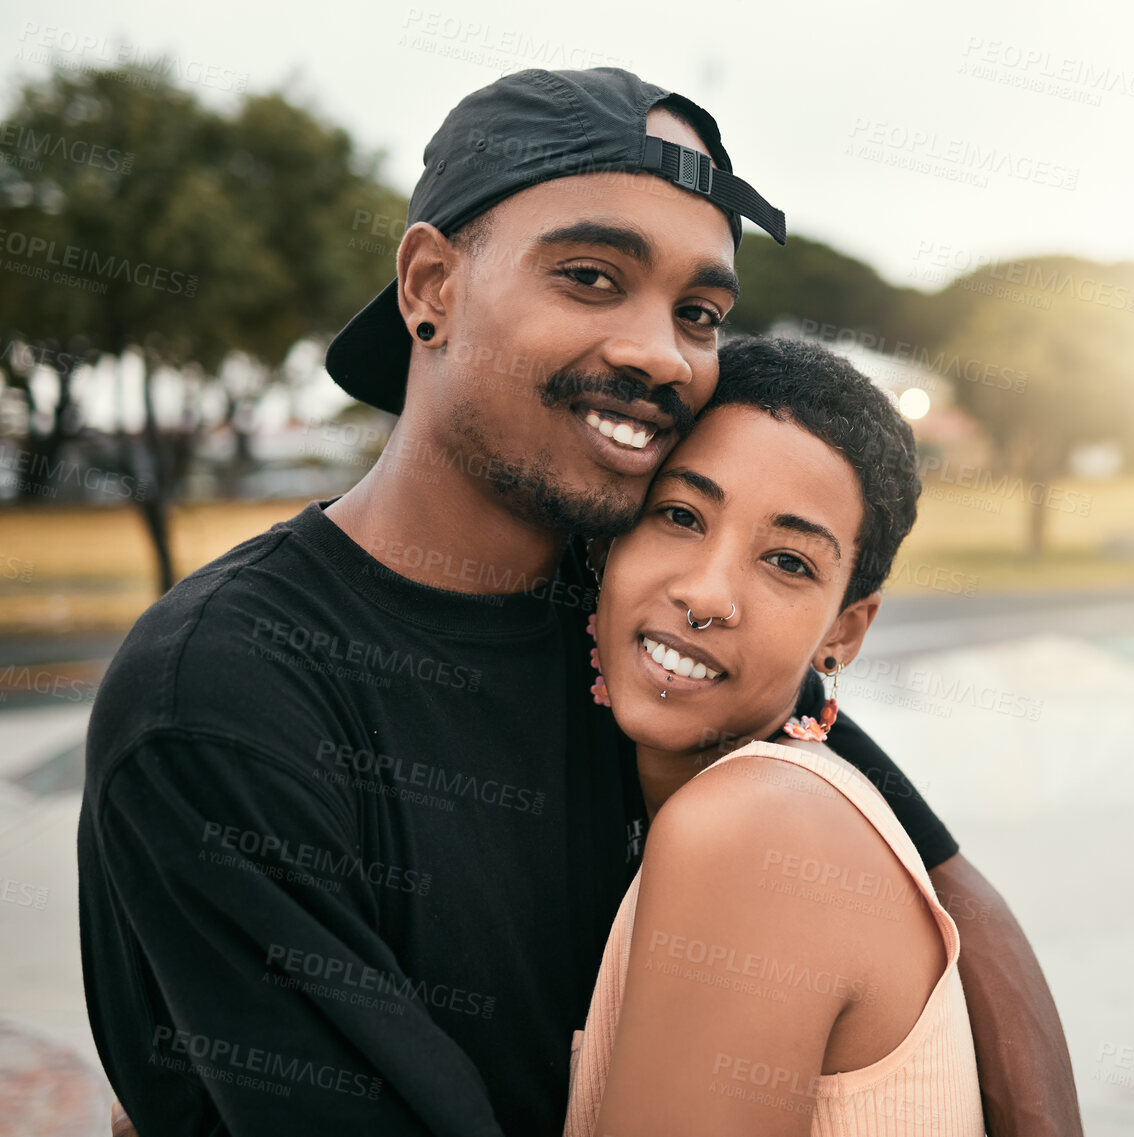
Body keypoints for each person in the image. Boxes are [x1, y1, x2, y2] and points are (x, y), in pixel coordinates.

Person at [77, 66, 1080, 1135]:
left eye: (698, 311)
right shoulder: (223, 695)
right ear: (430, 287)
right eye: (593, 277)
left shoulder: (629, 616)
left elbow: (952, 896)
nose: (661, 353)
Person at [567, 335, 981, 1135]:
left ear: (846, 631)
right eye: (679, 515)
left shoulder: (758, 825)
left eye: (788, 562)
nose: (707, 593)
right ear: (607, 537)